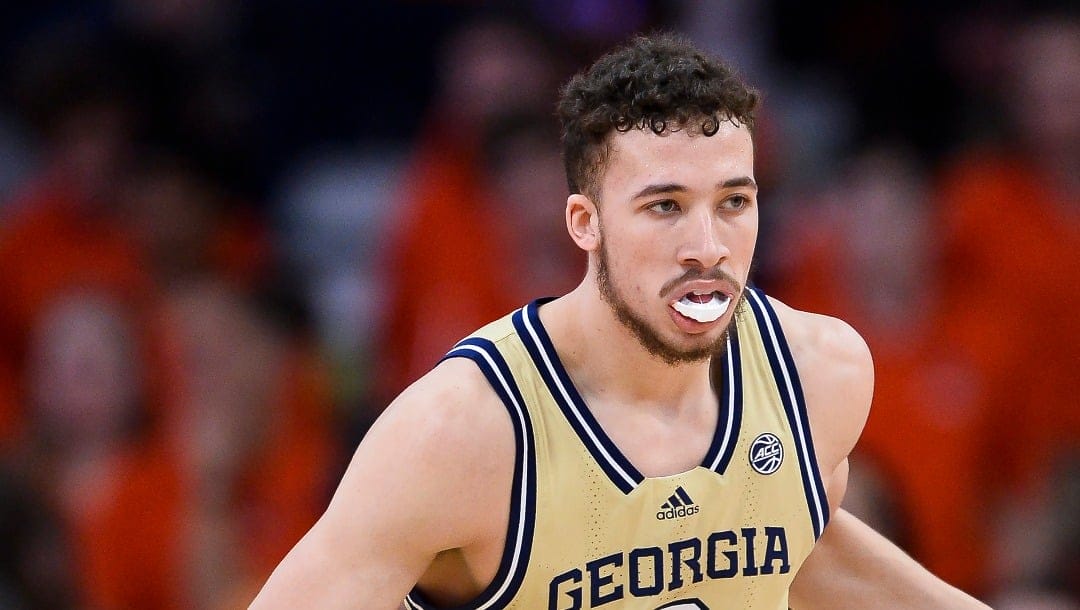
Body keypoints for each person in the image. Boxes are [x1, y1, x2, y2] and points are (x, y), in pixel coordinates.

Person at [251, 33, 989, 609]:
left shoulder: (818, 373)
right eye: (664, 206)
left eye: (734, 201)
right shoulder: (463, 432)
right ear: (584, 222)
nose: (707, 246)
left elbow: (796, 550)